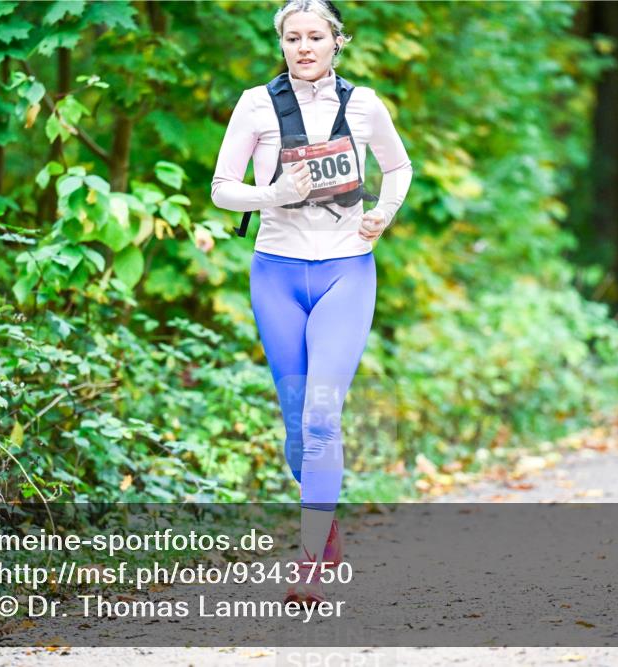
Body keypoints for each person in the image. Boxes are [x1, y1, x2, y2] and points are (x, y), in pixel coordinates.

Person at [211, 0, 413, 604]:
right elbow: (222, 190)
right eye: (293, 37)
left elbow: (398, 168)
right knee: (299, 427)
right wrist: (273, 192)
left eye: (316, 36)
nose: (304, 47)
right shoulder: (254, 104)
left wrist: (382, 213)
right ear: (282, 44)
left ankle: (307, 560)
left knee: (323, 415)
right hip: (276, 273)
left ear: (336, 42)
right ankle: (323, 522)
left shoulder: (365, 104)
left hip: (346, 271)